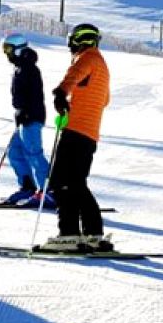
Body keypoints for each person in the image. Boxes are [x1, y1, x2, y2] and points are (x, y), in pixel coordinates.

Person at [42, 23, 111, 251]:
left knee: (61, 182)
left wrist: (61, 93)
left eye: (71, 41)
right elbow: (104, 100)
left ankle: (70, 235)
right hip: (89, 133)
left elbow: (74, 75)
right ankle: (92, 234)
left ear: (80, 41)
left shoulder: (88, 58)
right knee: (75, 183)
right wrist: (73, 105)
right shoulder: (102, 65)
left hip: (76, 132)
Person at [0, 33, 54, 208]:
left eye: (8, 49)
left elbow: (35, 95)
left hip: (31, 118)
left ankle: (49, 192)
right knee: (15, 152)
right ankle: (28, 187)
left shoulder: (29, 68)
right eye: (4, 49)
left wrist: (26, 112)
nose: (6, 53)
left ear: (18, 49)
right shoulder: (20, 67)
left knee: (34, 154)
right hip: (23, 117)